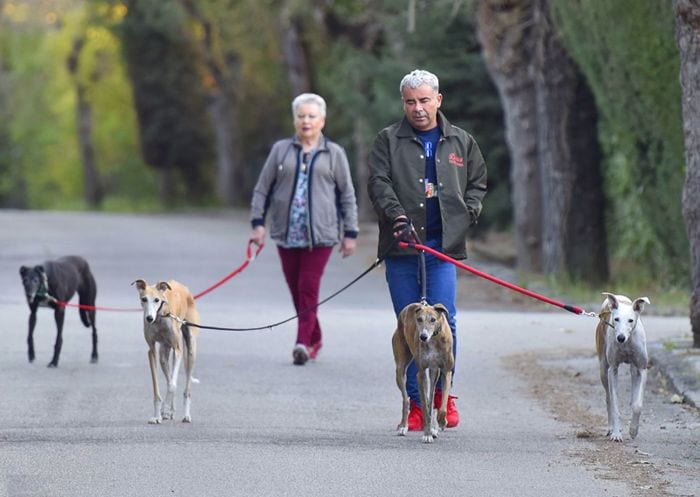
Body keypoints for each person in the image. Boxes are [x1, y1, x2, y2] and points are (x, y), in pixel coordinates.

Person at [368, 69, 487, 430]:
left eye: (423, 100)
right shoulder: (388, 140)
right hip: (402, 247)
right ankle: (416, 405)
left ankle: (443, 398)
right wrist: (396, 216)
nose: (417, 108)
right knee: (410, 325)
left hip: (442, 249)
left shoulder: (460, 141)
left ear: (438, 99)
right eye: (410, 101)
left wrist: (468, 213)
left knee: (444, 321)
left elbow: (478, 183)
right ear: (403, 103)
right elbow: (378, 182)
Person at [250, 93, 359, 366]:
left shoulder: (334, 154)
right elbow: (263, 188)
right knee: (296, 290)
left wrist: (351, 233)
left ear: (322, 120)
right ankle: (315, 336)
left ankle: (301, 343)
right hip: (287, 233)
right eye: (301, 116)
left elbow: (347, 194)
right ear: (294, 119)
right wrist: (257, 224)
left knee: (307, 287)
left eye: (311, 116)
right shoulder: (281, 150)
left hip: (320, 236)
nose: (306, 121)